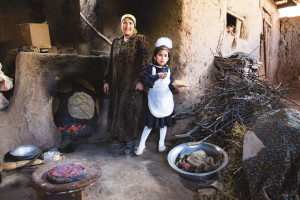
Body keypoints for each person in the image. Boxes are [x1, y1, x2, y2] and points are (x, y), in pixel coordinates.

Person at [103, 14, 149, 155]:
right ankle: (123, 139)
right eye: (125, 23)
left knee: (131, 112)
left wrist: (142, 81)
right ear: (121, 25)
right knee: (120, 111)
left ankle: (130, 141)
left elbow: (145, 62)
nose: (127, 26)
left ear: (134, 26)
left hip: (133, 84)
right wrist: (107, 80)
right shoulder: (116, 42)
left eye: (130, 23)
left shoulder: (139, 40)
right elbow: (111, 63)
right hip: (118, 84)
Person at [135, 37, 182, 156]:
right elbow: (145, 80)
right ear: (155, 57)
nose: (162, 58)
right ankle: (141, 145)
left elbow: (169, 85)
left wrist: (175, 87)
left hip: (165, 101)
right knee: (148, 125)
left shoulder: (169, 71)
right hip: (154, 101)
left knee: (163, 124)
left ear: (168, 58)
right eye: (160, 55)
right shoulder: (150, 69)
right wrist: (157, 76)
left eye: (165, 55)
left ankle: (161, 143)